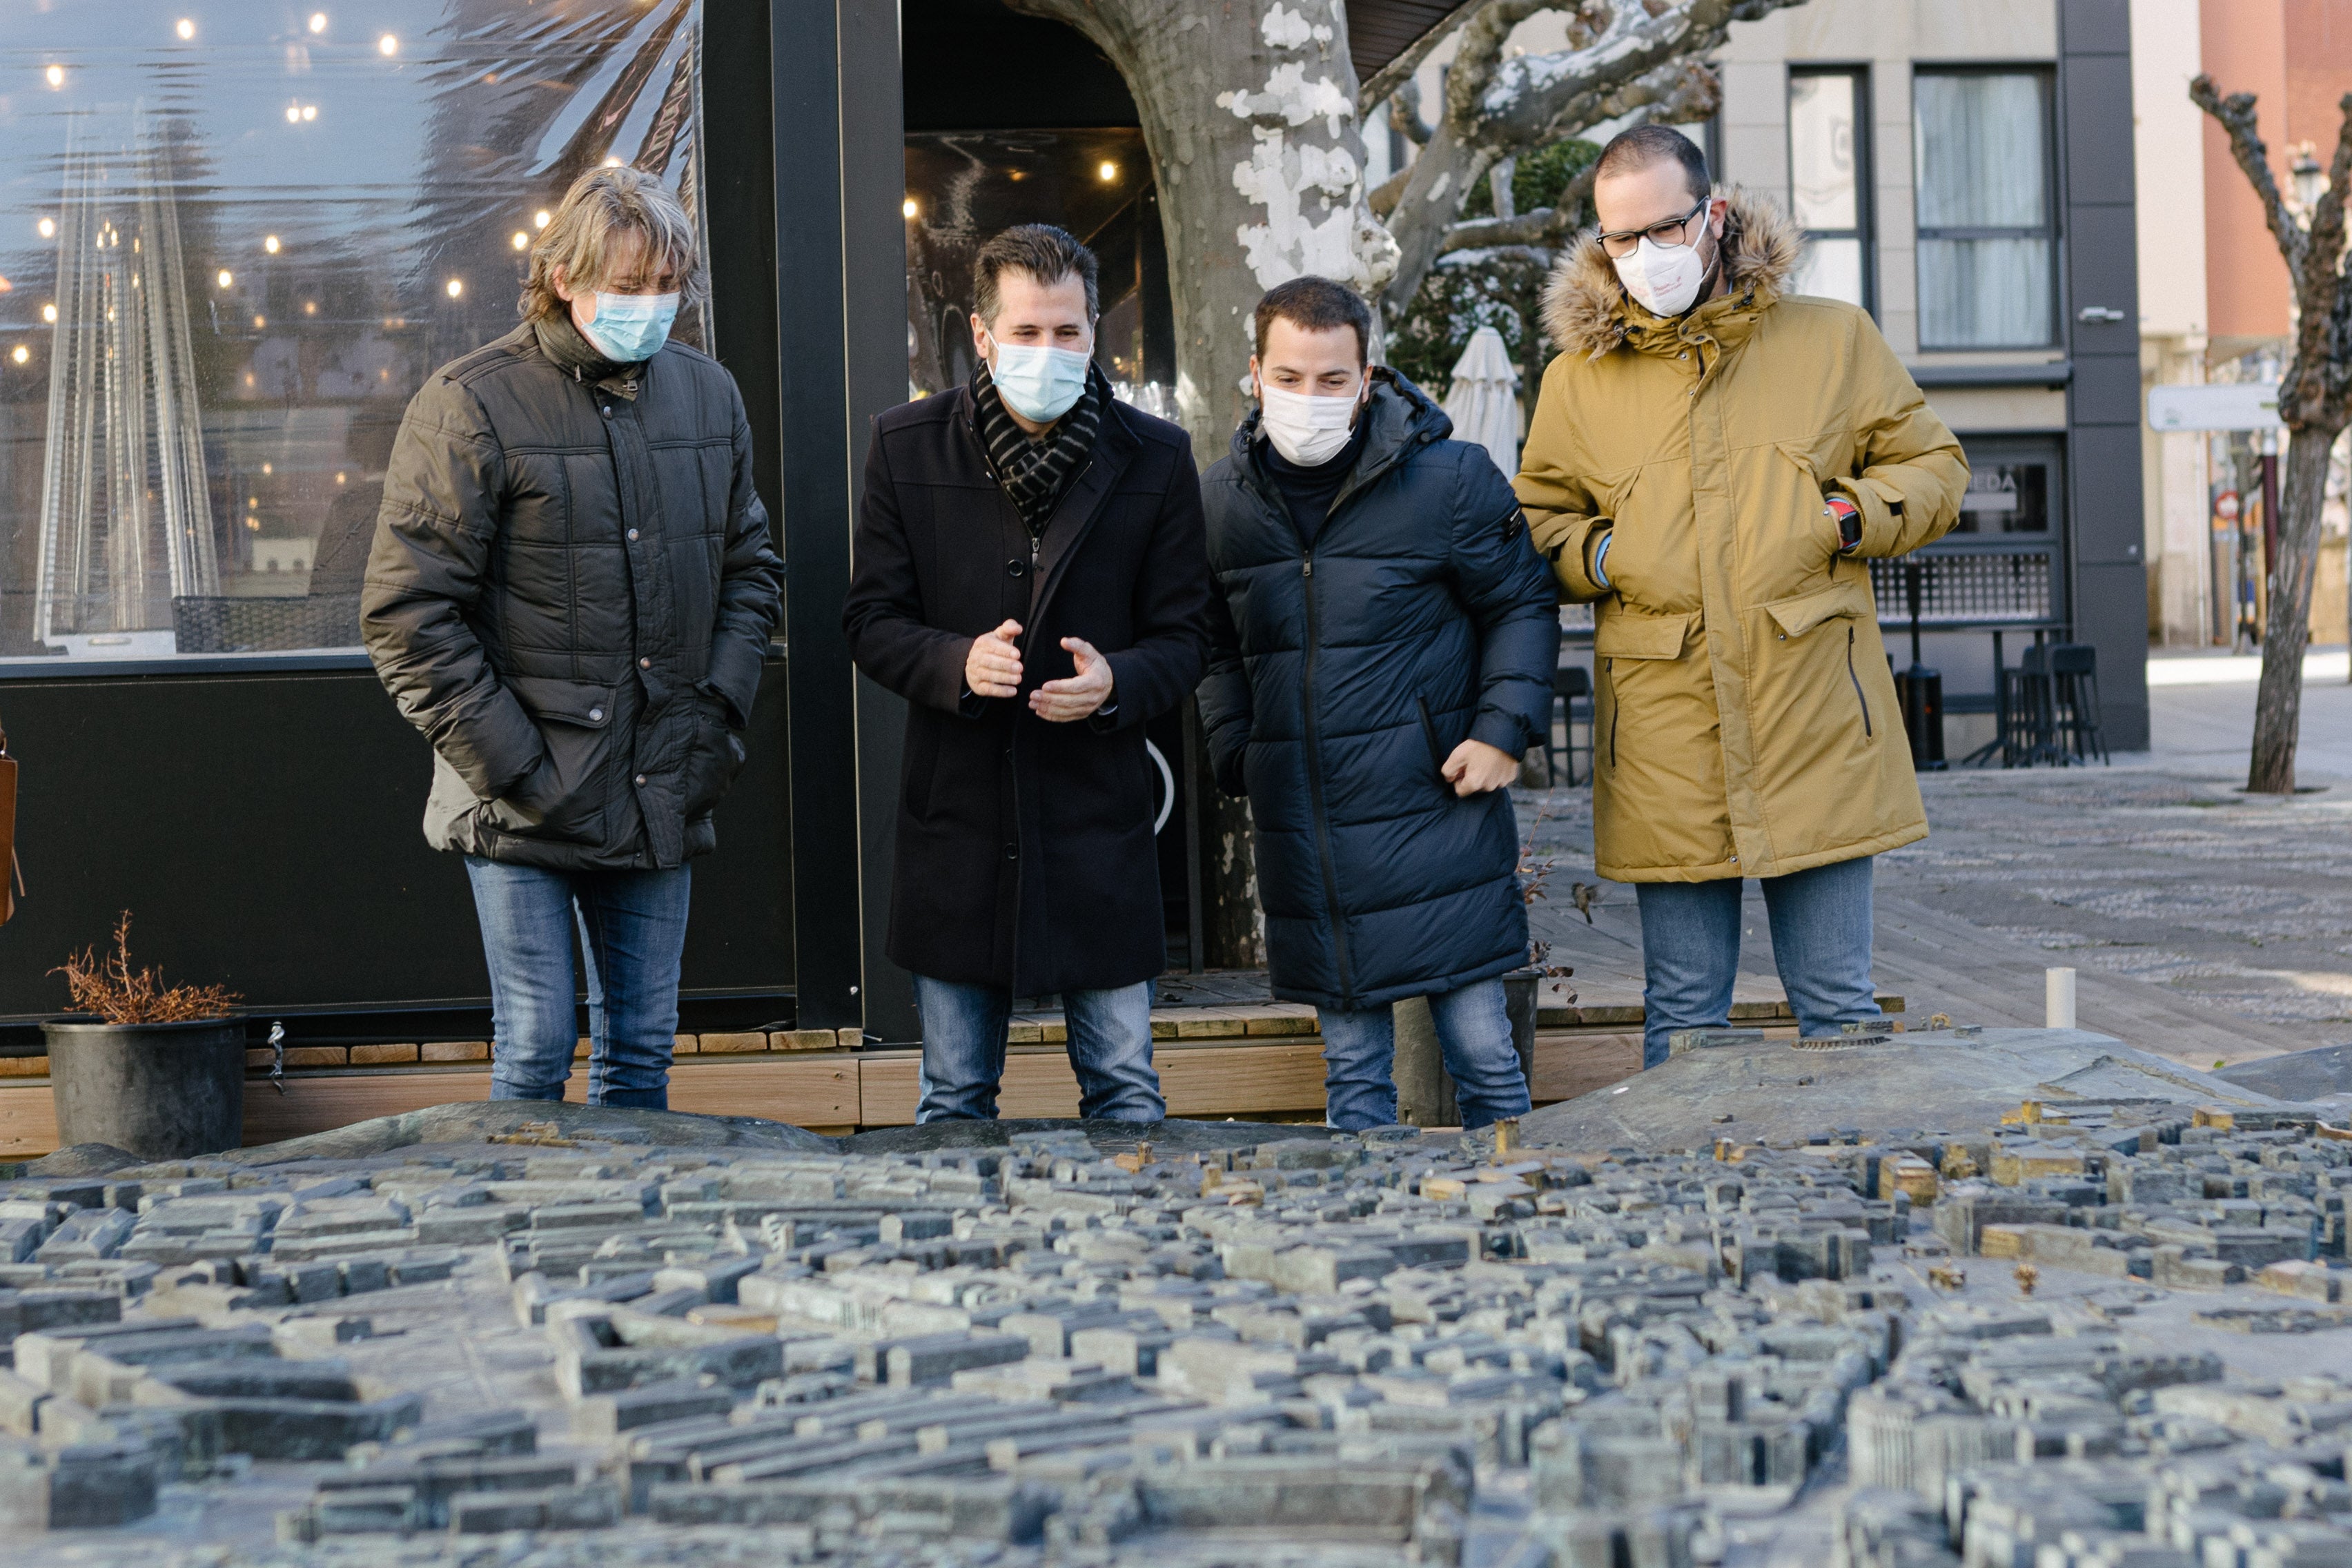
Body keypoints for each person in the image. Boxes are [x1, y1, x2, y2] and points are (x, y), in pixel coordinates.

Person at [1513, 126, 1968, 1069]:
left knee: (1840, 1010)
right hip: (1666, 732)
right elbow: (1536, 519)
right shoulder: (1577, 381)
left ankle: (1860, 1206)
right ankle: (1692, 1216)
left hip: (1815, 717)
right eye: (1620, 240)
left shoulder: (1832, 339)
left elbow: (1934, 468)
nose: (1643, 257)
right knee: (1684, 1020)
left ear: (1714, 216)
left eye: (1663, 229)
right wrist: (1604, 557)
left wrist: (1845, 518)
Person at [362, 166, 783, 1109]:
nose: (650, 307)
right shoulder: (471, 401)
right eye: (627, 287)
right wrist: (515, 764)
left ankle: (634, 1254)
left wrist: (714, 713)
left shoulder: (708, 399)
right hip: (523, 797)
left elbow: (750, 570)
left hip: (660, 776)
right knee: (538, 1048)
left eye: (665, 286)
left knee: (640, 1049)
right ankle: (524, 1246)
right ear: (563, 276)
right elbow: (409, 612)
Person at [843, 224, 1211, 1123]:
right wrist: (954, 661)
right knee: (955, 1096)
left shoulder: (1156, 457)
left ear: (1095, 333)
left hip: (1099, 824)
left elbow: (1191, 634)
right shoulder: (905, 444)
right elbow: (868, 620)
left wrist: (1117, 681)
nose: (1049, 352)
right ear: (982, 335)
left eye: (1068, 333)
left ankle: (1130, 1258)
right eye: (1027, 332)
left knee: (1127, 1090)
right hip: (957, 827)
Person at [1195, 277, 1559, 1131]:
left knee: (1480, 1049)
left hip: (1437, 808)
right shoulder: (1220, 501)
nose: (1309, 398)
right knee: (1353, 1071)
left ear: (1368, 378)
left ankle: (1523, 1213)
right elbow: (1211, 641)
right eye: (1289, 378)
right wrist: (1237, 747)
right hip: (1311, 825)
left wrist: (1503, 731)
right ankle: (1368, 1248)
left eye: (1331, 380)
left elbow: (1521, 603)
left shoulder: (1452, 478)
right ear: (1255, 374)